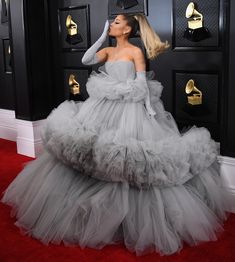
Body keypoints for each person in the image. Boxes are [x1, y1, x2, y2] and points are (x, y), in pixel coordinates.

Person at [1, 13, 233, 256]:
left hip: (130, 111)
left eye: (116, 23)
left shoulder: (135, 52)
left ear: (127, 29)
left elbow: (142, 86)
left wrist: (150, 110)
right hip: (100, 108)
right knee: (92, 151)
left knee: (126, 158)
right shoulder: (109, 52)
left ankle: (127, 219)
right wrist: (102, 37)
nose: (111, 24)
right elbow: (86, 58)